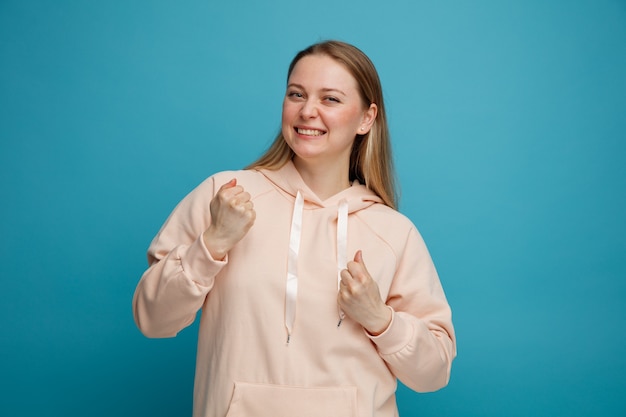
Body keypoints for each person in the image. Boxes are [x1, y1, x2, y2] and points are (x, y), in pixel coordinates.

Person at [133, 40, 456, 417]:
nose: (308, 111)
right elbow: (152, 319)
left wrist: (381, 320)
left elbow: (434, 373)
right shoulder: (226, 196)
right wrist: (213, 242)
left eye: (330, 99)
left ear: (367, 119)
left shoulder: (393, 232)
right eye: (296, 94)